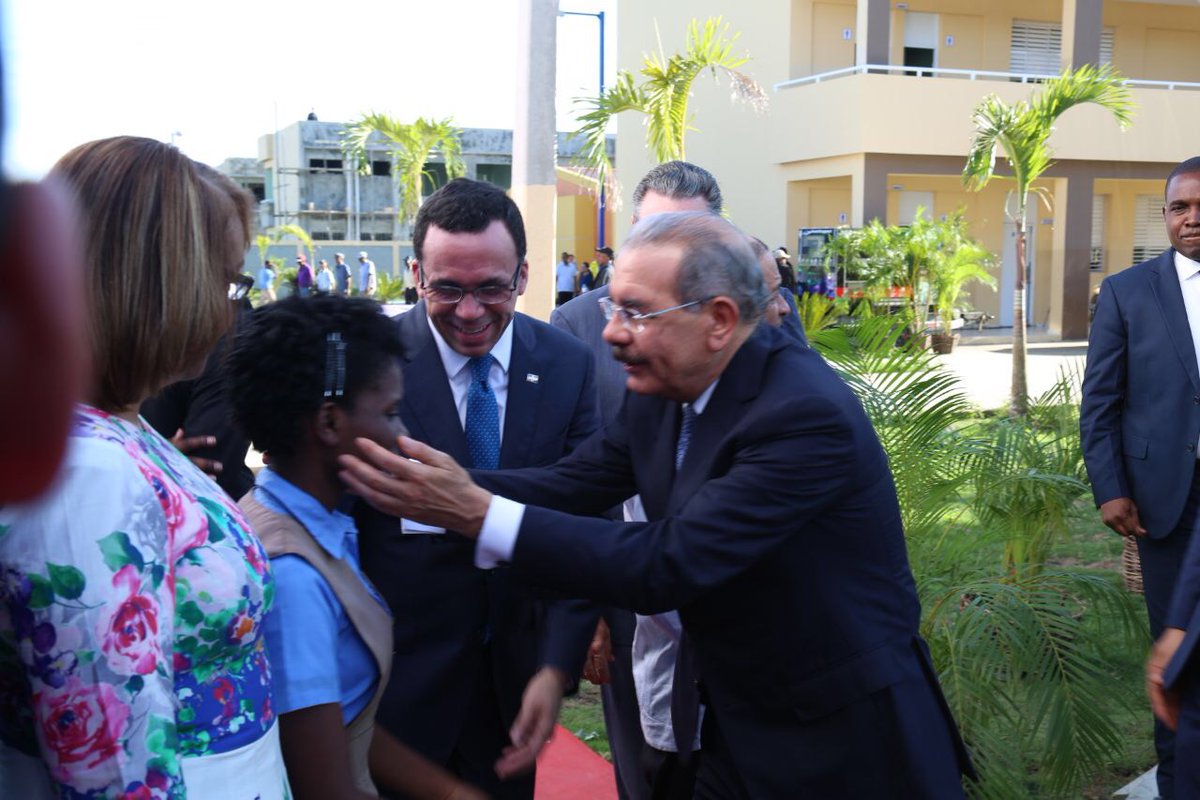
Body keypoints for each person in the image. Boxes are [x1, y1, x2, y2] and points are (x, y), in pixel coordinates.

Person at [340, 211, 973, 800]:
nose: (611, 332)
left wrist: (473, 511)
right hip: (736, 722)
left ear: (719, 319)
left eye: (637, 312)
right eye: (612, 305)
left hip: (843, 741)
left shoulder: (802, 416)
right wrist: (435, 487)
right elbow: (571, 483)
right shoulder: (666, 382)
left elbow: (666, 562)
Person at [0, 136, 289, 798]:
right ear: (156, 283)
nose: (231, 311)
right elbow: (112, 767)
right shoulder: (86, 472)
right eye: (226, 281)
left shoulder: (119, 430)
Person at [550, 161, 807, 800]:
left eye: (687, 232)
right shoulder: (580, 325)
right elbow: (583, 470)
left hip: (736, 588)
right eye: (651, 231)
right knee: (648, 764)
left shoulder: (771, 321)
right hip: (623, 581)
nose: (622, 332)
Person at [355, 178, 599, 800]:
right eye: (447, 289)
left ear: (521, 276)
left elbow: (584, 521)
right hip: (396, 691)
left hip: (514, 690)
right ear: (415, 274)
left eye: (491, 288)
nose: (469, 311)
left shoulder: (568, 365)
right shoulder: (367, 366)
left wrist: (555, 664)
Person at [226, 295, 484, 800]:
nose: (403, 434)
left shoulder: (309, 523)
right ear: (328, 422)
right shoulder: (294, 575)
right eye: (390, 414)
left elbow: (343, 718)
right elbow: (323, 780)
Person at [1087, 156, 1200, 800]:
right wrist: (1111, 487)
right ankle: (1179, 781)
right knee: (1174, 647)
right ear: (1164, 215)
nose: (1191, 218)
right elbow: (1100, 400)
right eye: (1179, 207)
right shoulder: (1129, 291)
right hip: (1166, 501)